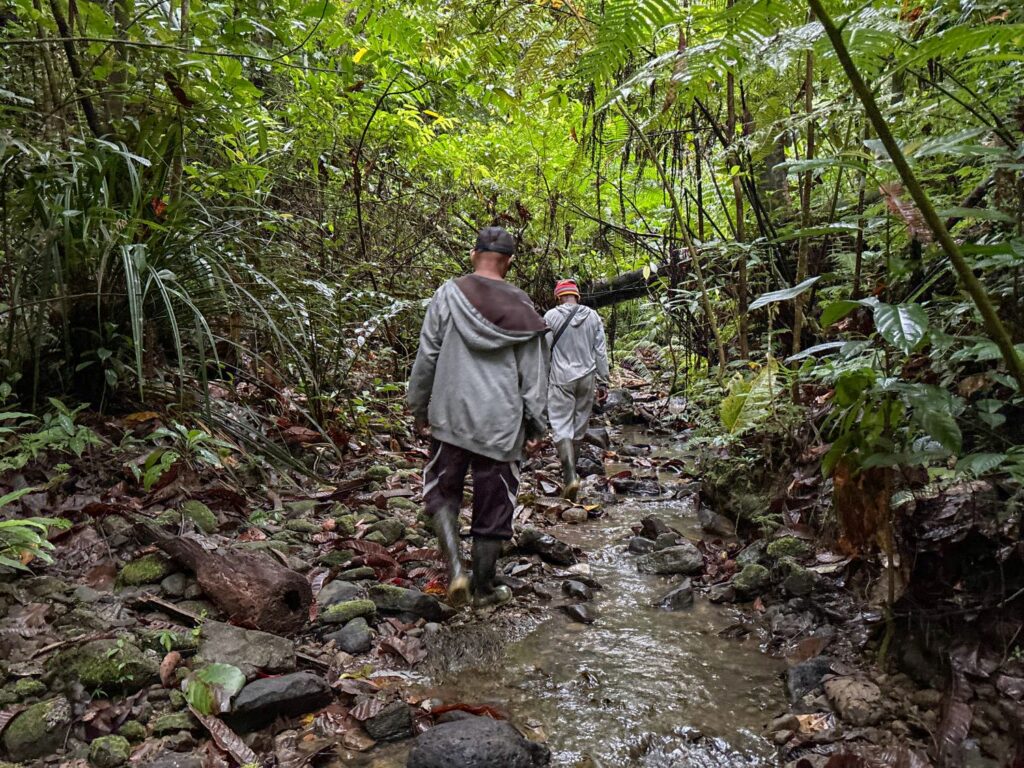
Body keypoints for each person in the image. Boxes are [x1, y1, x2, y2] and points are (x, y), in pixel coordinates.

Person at [407, 227, 548, 609]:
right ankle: (484, 587)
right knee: (496, 503)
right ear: (509, 261)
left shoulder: (447, 294)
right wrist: (536, 425)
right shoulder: (523, 308)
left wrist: (418, 407)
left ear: (474, 254)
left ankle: (456, 571)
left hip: (450, 417)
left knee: (441, 490)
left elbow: (428, 355)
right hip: (501, 424)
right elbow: (533, 377)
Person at [543, 278, 609, 500]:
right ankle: (572, 474)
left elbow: (544, 351)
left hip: (561, 378)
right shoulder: (593, 316)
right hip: (587, 377)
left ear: (558, 296)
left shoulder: (550, 317)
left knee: (561, 425)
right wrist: (603, 381)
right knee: (579, 426)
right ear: (577, 295)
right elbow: (600, 351)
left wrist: (542, 379)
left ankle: (569, 475)